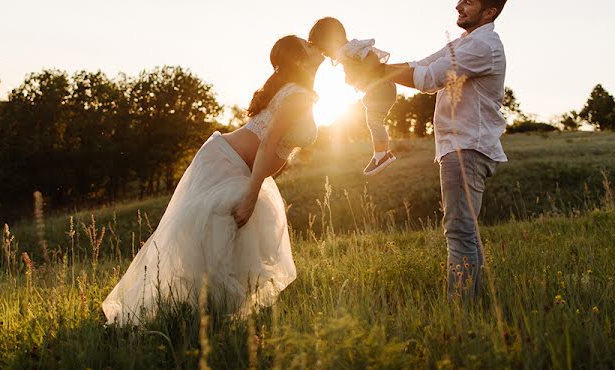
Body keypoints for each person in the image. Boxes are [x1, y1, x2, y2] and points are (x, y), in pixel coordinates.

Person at [102, 35, 324, 324]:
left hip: (240, 166)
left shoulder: (298, 91)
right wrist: (251, 195)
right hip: (225, 162)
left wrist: (322, 58)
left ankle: (213, 313)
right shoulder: (295, 95)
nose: (313, 47)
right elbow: (269, 143)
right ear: (299, 60)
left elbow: (309, 77)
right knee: (212, 229)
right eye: (308, 47)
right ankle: (182, 313)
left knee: (234, 237)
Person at [383, 0, 508, 300]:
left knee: (459, 232)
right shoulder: (467, 41)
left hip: (467, 148)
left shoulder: (483, 46)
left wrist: (373, 72)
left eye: (468, 2)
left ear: (489, 11)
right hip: (461, 147)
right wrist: (374, 69)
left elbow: (428, 78)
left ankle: (460, 312)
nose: (458, 5)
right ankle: (472, 303)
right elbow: (421, 63)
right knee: (464, 231)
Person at [308, 17, 398, 176]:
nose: (326, 54)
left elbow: (372, 58)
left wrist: (363, 74)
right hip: (378, 89)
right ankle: (382, 153)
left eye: (325, 49)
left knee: (374, 121)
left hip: (380, 87)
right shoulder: (346, 53)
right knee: (375, 120)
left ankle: (381, 155)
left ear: (334, 38)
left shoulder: (350, 48)